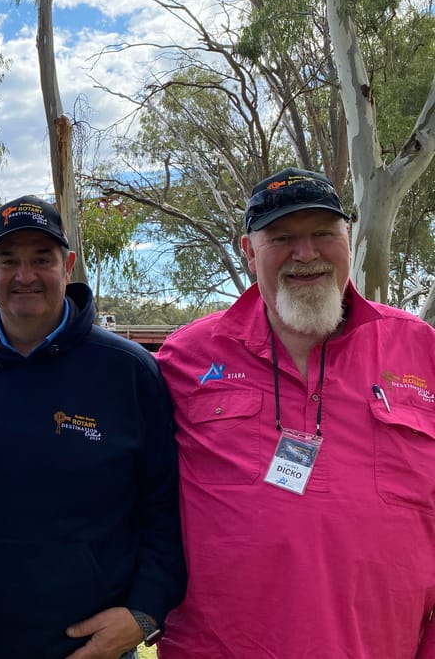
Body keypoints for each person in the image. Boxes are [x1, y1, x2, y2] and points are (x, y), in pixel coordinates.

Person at [156, 167, 435, 658]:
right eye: (283, 238)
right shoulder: (184, 359)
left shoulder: (421, 350)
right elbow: (130, 499)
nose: (306, 254)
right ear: (249, 251)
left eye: (324, 233)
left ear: (348, 238)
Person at [0, 196, 186, 659]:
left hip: (92, 648)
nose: (25, 275)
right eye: (8, 260)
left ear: (68, 266)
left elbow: (167, 509)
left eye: (42, 259)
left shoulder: (129, 372)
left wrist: (144, 611)